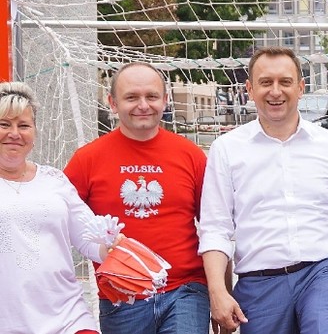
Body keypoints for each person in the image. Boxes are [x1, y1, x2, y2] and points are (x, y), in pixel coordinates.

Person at [199, 46, 328, 334]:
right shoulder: (226, 149)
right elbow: (215, 228)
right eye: (266, 82)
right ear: (250, 89)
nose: (275, 91)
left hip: (323, 272)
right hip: (259, 283)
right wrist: (218, 292)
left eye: (285, 82)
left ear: (300, 87)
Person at [64, 62, 213, 334]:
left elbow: (216, 228)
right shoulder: (87, 160)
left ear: (165, 100)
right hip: (122, 295)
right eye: (131, 97)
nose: (143, 105)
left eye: (151, 96)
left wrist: (221, 292)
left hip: (185, 290)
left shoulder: (191, 155)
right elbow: (60, 222)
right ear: (112, 102)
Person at [0, 82, 114, 334]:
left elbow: (88, 238)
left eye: (24, 126)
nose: (14, 134)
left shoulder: (54, 180)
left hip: (68, 318)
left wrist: (110, 248)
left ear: (34, 132)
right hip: (9, 322)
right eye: (4, 124)